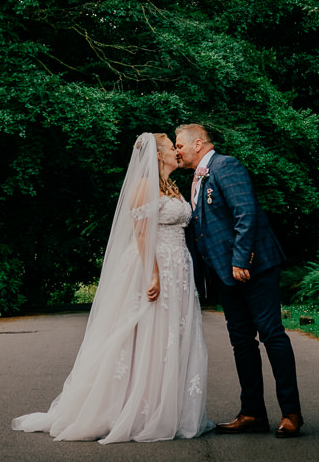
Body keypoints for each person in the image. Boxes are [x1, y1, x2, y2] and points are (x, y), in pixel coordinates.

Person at [11, 133, 212, 442]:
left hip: (179, 269)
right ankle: (133, 409)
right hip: (154, 267)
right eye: (171, 147)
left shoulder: (171, 187)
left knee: (169, 336)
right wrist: (154, 274)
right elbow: (143, 235)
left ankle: (163, 406)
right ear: (158, 156)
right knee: (146, 334)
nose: (176, 151)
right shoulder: (144, 187)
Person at [177, 121, 303, 437]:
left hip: (253, 267)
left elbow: (246, 213)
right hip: (225, 275)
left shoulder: (225, 165)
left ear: (197, 143)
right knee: (241, 343)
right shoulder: (197, 178)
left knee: (272, 335)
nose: (177, 150)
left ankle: (291, 413)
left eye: (179, 144)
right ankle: (252, 413)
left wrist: (240, 259)